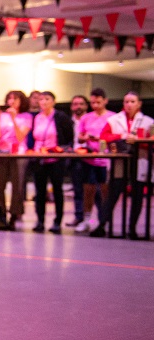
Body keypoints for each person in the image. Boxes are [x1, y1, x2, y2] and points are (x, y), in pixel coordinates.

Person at [90, 91, 153, 239]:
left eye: (132, 102)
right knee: (113, 193)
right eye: (126, 102)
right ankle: (101, 225)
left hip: (140, 159)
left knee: (137, 195)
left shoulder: (148, 121)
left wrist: (137, 140)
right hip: (119, 161)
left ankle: (132, 229)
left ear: (139, 103)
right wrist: (122, 137)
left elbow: (151, 139)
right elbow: (104, 136)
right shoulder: (114, 120)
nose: (129, 105)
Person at [29, 91, 74, 234]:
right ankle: (40, 221)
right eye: (41, 100)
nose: (43, 102)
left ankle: (57, 222)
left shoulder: (60, 116)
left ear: (53, 102)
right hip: (39, 158)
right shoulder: (37, 118)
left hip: (56, 159)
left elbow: (68, 137)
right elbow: (34, 137)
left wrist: (61, 149)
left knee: (57, 190)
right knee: (39, 191)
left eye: (47, 99)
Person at [0, 90, 32, 229]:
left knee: (17, 186)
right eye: (9, 98)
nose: (11, 101)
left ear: (22, 101)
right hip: (2, 151)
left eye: (15, 99)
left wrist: (14, 118)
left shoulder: (26, 116)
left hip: (18, 152)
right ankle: (1, 212)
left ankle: (14, 215)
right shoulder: (3, 116)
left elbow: (20, 136)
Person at [75, 89, 113, 233]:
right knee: (88, 190)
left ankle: (104, 220)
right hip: (88, 159)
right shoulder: (86, 118)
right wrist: (85, 138)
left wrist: (100, 139)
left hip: (105, 160)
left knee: (104, 190)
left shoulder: (112, 118)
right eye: (92, 102)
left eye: (98, 102)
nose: (95, 105)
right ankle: (87, 220)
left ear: (105, 101)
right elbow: (80, 136)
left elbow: (113, 137)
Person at [66, 94, 90, 230]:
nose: (78, 106)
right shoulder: (69, 122)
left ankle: (97, 219)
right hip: (75, 157)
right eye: (75, 104)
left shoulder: (90, 120)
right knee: (78, 189)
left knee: (94, 190)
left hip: (92, 157)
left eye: (81, 104)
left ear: (86, 106)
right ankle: (79, 216)